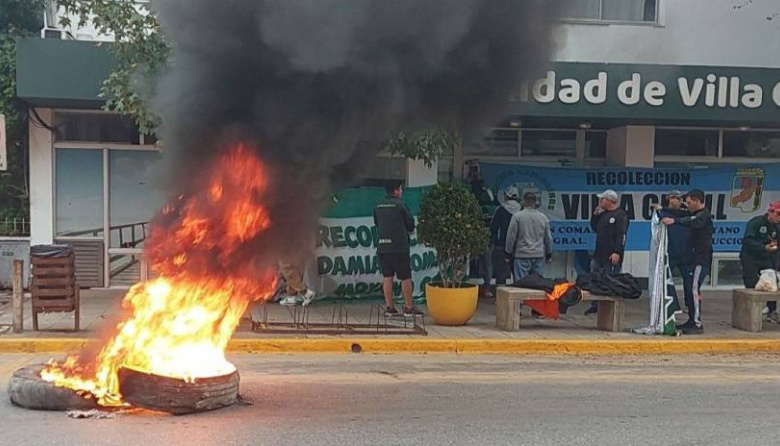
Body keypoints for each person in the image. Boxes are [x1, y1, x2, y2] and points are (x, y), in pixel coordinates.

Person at [662, 189, 713, 335]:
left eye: (689, 203)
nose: (687, 205)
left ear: (697, 201)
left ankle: (697, 323)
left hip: (700, 259)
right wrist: (664, 209)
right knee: (689, 289)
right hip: (693, 258)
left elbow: (691, 221)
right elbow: (681, 214)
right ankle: (692, 319)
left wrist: (675, 221)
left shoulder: (703, 215)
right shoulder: (694, 214)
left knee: (694, 290)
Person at [374, 180, 422, 317]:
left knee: (387, 277)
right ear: (396, 190)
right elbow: (410, 224)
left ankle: (389, 308)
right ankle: (408, 307)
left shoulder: (378, 205)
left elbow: (376, 223)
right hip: (399, 247)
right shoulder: (401, 204)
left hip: (383, 246)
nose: (401, 191)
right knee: (405, 277)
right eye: (400, 189)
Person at [585, 189, 629, 315]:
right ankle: (595, 304)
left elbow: (622, 236)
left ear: (609, 200)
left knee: (609, 279)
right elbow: (594, 227)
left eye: (602, 199)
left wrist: (617, 252)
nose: (600, 202)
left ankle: (607, 306)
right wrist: (595, 215)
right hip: (599, 253)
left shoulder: (621, 215)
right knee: (595, 277)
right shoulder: (603, 214)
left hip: (611, 255)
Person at [740, 201, 780, 323]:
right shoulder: (756, 222)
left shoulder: (777, 227)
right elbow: (747, 241)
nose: (779, 217)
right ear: (770, 212)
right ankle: (751, 314)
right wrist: (763, 247)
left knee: (772, 283)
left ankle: (771, 311)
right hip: (750, 257)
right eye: (778, 214)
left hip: (765, 257)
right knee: (751, 284)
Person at [654, 190, 694, 313]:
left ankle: (691, 305)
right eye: (675, 197)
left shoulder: (686, 214)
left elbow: (695, 216)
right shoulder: (663, 213)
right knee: (664, 280)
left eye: (679, 198)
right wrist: (661, 210)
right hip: (670, 253)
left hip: (686, 254)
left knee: (689, 283)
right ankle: (665, 304)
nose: (677, 200)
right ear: (669, 199)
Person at [482, 186, 521, 297]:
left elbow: (493, 228)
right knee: (517, 273)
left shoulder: (500, 210)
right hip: (518, 246)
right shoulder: (521, 210)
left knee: (501, 273)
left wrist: (489, 241)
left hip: (501, 245)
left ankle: (500, 298)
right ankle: (518, 298)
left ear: (506, 196)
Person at [504, 192, 553, 280]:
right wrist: (548, 254)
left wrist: (508, 253)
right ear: (535, 203)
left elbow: (511, 237)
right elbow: (548, 238)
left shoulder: (517, 217)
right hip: (538, 255)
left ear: (524, 201)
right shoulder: (543, 218)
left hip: (522, 255)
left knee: (521, 285)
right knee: (538, 284)